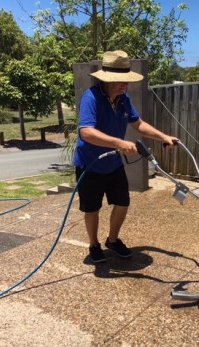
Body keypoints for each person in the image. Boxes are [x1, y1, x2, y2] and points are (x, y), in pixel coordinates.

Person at [73, 50, 178, 263]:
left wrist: (163, 136)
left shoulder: (123, 98)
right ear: (109, 79)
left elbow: (137, 124)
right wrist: (120, 143)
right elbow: (86, 132)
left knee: (122, 202)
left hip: (113, 163)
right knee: (92, 207)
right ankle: (94, 245)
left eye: (127, 81)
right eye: (122, 81)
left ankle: (112, 240)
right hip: (90, 164)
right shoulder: (91, 98)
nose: (126, 85)